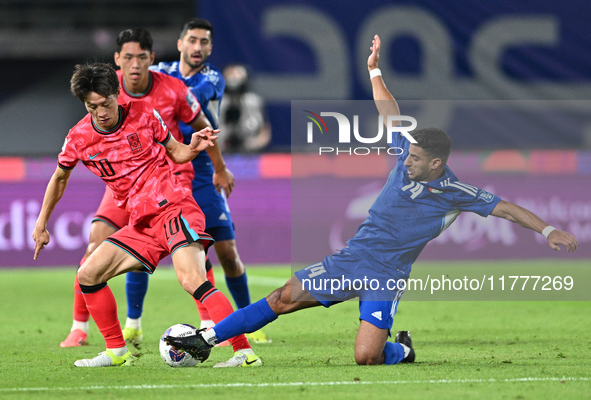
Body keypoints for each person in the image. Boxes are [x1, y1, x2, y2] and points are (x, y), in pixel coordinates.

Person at [164, 34, 579, 366]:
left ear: (437, 162)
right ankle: (207, 339)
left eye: (415, 159)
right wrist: (375, 69)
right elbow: (390, 113)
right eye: (408, 154)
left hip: (386, 275)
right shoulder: (405, 151)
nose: (406, 161)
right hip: (351, 258)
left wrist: (547, 229)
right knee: (282, 299)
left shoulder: (457, 193)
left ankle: (402, 350)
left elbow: (505, 207)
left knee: (367, 357)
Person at [33, 63, 261, 368]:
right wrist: (41, 223)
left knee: (193, 279)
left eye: (105, 103)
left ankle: (243, 352)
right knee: (87, 275)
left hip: (173, 207)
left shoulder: (143, 113)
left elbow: (177, 152)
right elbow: (59, 178)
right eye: (91, 106)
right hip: (140, 223)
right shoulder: (78, 138)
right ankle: (117, 352)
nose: (100, 112)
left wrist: (193, 148)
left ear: (116, 94)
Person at [151, 18, 270, 344]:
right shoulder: (160, 70)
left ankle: (250, 320)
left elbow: (187, 98)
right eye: (192, 40)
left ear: (210, 47)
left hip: (202, 169)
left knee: (227, 252)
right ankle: (134, 323)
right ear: (180, 44)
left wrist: (154, 97)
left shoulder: (212, 77)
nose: (198, 47)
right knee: (173, 251)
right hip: (165, 167)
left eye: (204, 42)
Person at [218, 64, 271, 153]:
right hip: (220, 152)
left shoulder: (253, 101)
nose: (234, 80)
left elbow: (264, 131)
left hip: (250, 153)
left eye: (237, 77)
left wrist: (253, 145)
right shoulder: (219, 103)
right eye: (231, 77)